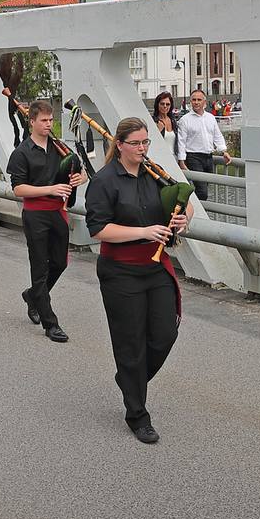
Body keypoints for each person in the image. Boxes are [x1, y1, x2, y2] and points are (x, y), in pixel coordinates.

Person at [85, 117, 187, 444]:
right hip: (120, 271)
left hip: (155, 267)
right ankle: (137, 414)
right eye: (136, 143)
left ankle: (130, 379)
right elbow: (99, 229)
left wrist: (182, 217)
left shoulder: (154, 173)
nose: (143, 149)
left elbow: (180, 201)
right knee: (130, 343)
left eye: (146, 143)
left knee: (165, 334)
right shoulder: (103, 181)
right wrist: (143, 231)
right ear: (120, 145)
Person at [6, 100, 86, 343]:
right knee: (39, 267)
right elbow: (18, 189)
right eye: (44, 120)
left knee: (60, 263)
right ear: (31, 122)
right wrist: (50, 187)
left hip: (57, 212)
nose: (49, 124)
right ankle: (50, 323)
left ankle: (33, 296)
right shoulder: (21, 152)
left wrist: (79, 179)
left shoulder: (60, 148)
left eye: (51, 120)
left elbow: (79, 171)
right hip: (35, 214)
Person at [175, 88, 230, 202]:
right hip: (193, 157)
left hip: (208, 157)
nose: (196, 102)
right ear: (190, 102)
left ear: (204, 102)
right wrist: (181, 161)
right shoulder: (185, 120)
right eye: (194, 100)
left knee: (205, 188)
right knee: (202, 191)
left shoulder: (210, 117)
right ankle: (199, 214)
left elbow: (217, 136)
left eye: (199, 100)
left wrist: (224, 151)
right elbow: (181, 141)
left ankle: (194, 210)